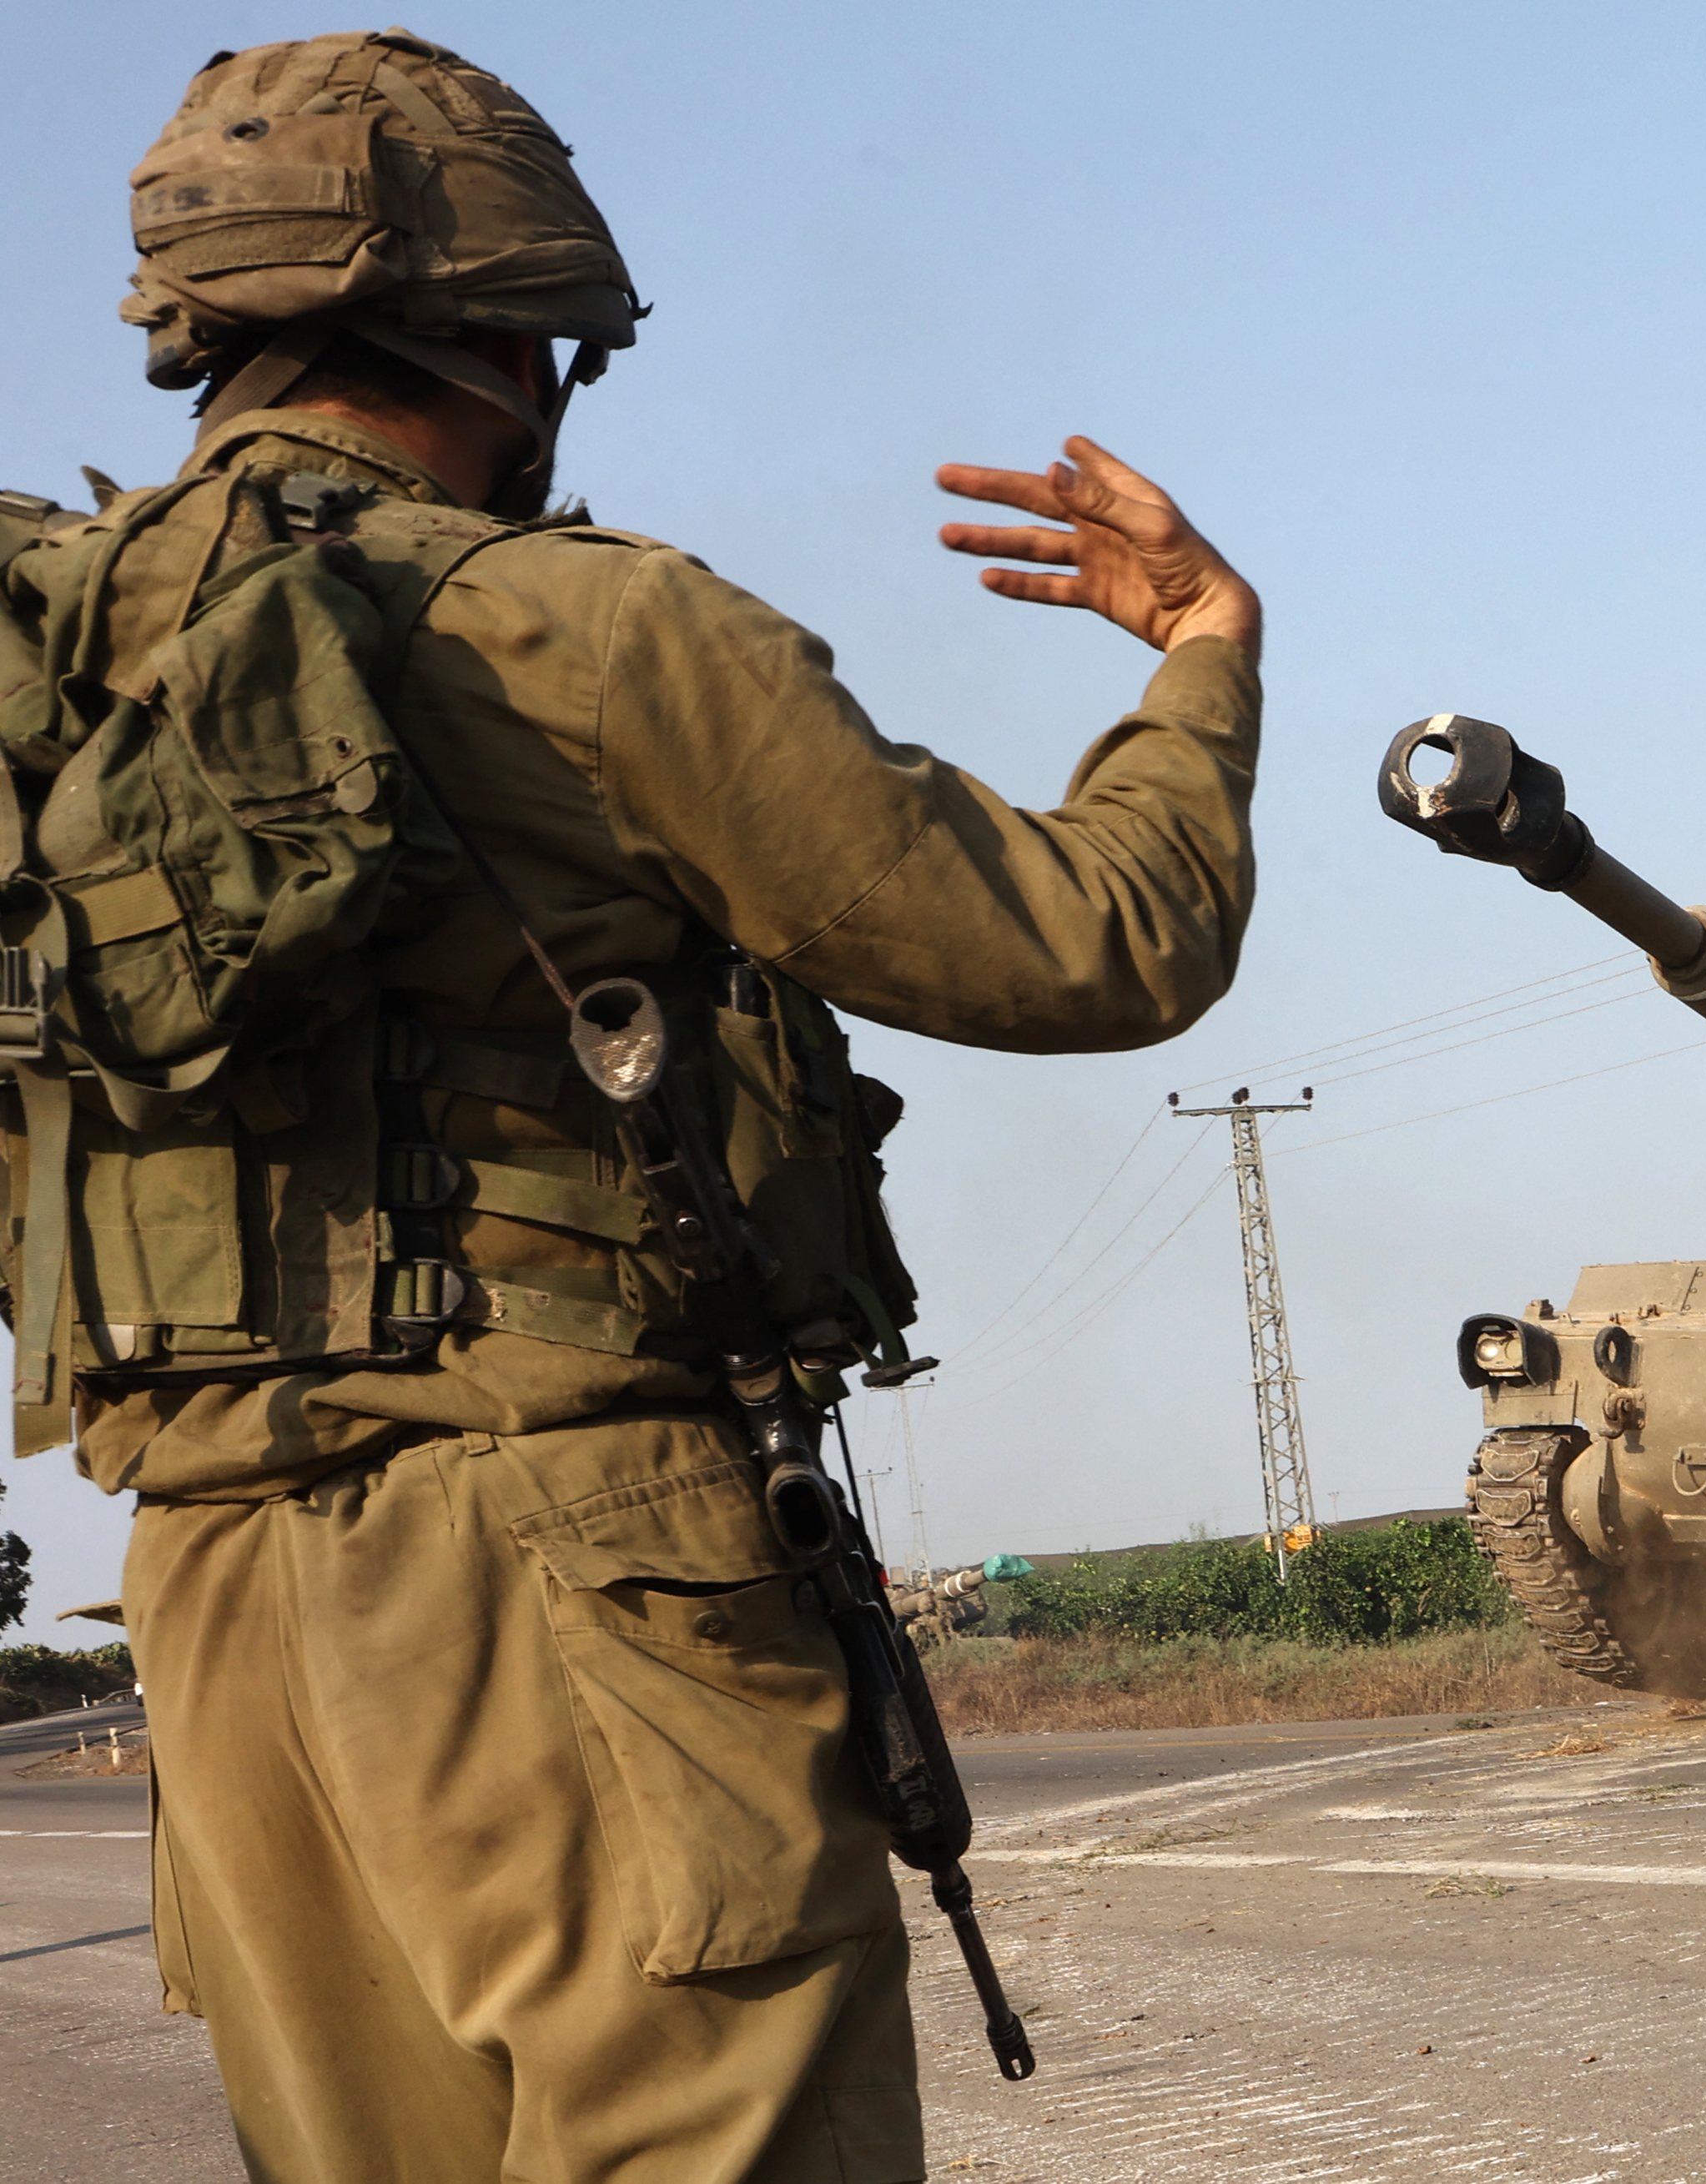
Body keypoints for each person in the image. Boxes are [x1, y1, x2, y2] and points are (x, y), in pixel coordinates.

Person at [2, 31, 1259, 2181]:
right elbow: (1094, 944)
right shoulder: (587, 630)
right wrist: (1203, 658)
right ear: (505, 335)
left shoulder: (47, 664)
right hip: (570, 1564)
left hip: (208, 1598)